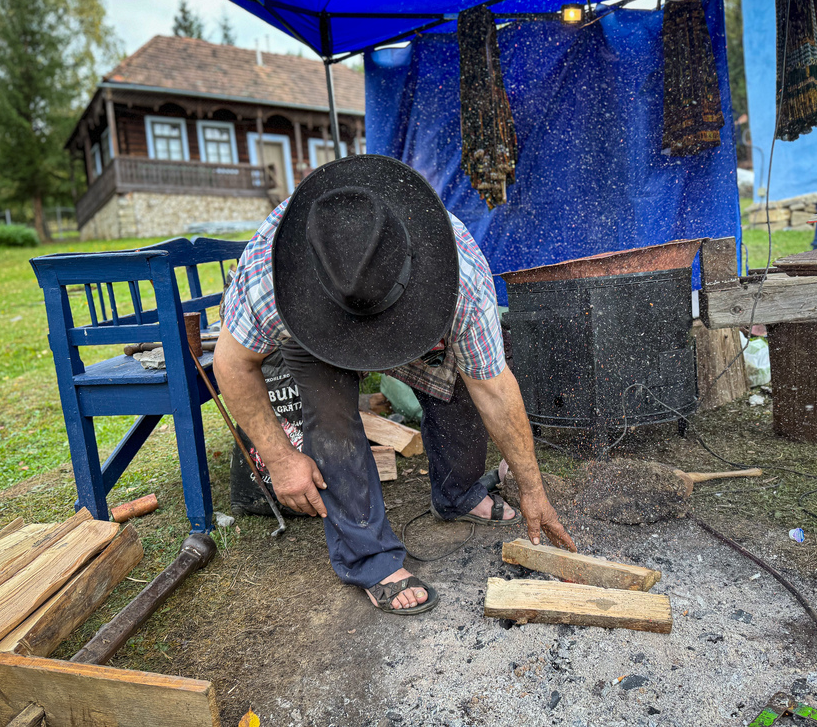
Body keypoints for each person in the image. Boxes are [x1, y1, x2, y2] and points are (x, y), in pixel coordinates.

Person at [214, 154, 575, 615]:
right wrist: (282, 458)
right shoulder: (269, 278)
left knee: (465, 379)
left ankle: (458, 493)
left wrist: (532, 488)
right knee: (329, 415)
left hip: (415, 303)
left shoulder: (461, 275)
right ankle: (370, 557)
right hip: (315, 323)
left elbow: (494, 388)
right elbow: (231, 365)